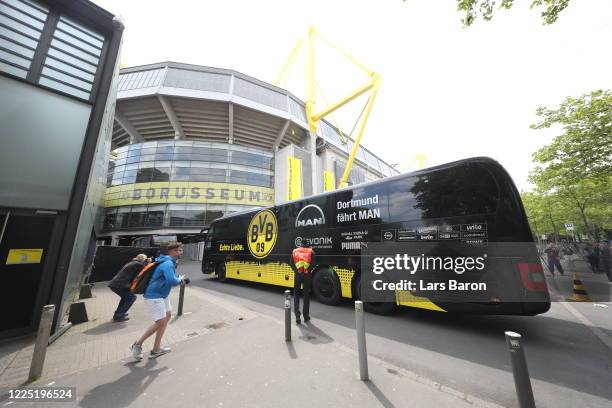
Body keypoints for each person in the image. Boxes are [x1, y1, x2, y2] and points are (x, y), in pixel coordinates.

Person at [131, 243, 188, 359]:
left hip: (162, 296)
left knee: (167, 315)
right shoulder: (168, 263)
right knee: (161, 322)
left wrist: (178, 279)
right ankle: (137, 344)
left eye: (181, 250)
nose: (181, 252)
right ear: (172, 251)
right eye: (179, 250)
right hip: (154, 296)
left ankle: (156, 349)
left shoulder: (168, 262)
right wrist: (181, 279)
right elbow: (172, 281)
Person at [108, 254, 149, 322]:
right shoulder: (137, 264)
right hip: (120, 284)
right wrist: (148, 262)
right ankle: (119, 315)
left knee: (126, 298)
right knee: (132, 298)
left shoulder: (132, 262)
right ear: (143, 260)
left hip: (117, 284)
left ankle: (118, 314)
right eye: (145, 260)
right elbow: (145, 269)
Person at [290, 240, 316, 324]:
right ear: (307, 245)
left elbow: (291, 264)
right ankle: (306, 316)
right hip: (307, 276)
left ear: (301, 245)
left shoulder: (295, 251)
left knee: (296, 295)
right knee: (306, 296)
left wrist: (297, 271)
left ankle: (297, 316)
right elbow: (313, 264)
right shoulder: (311, 251)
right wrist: (307, 270)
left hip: (297, 275)